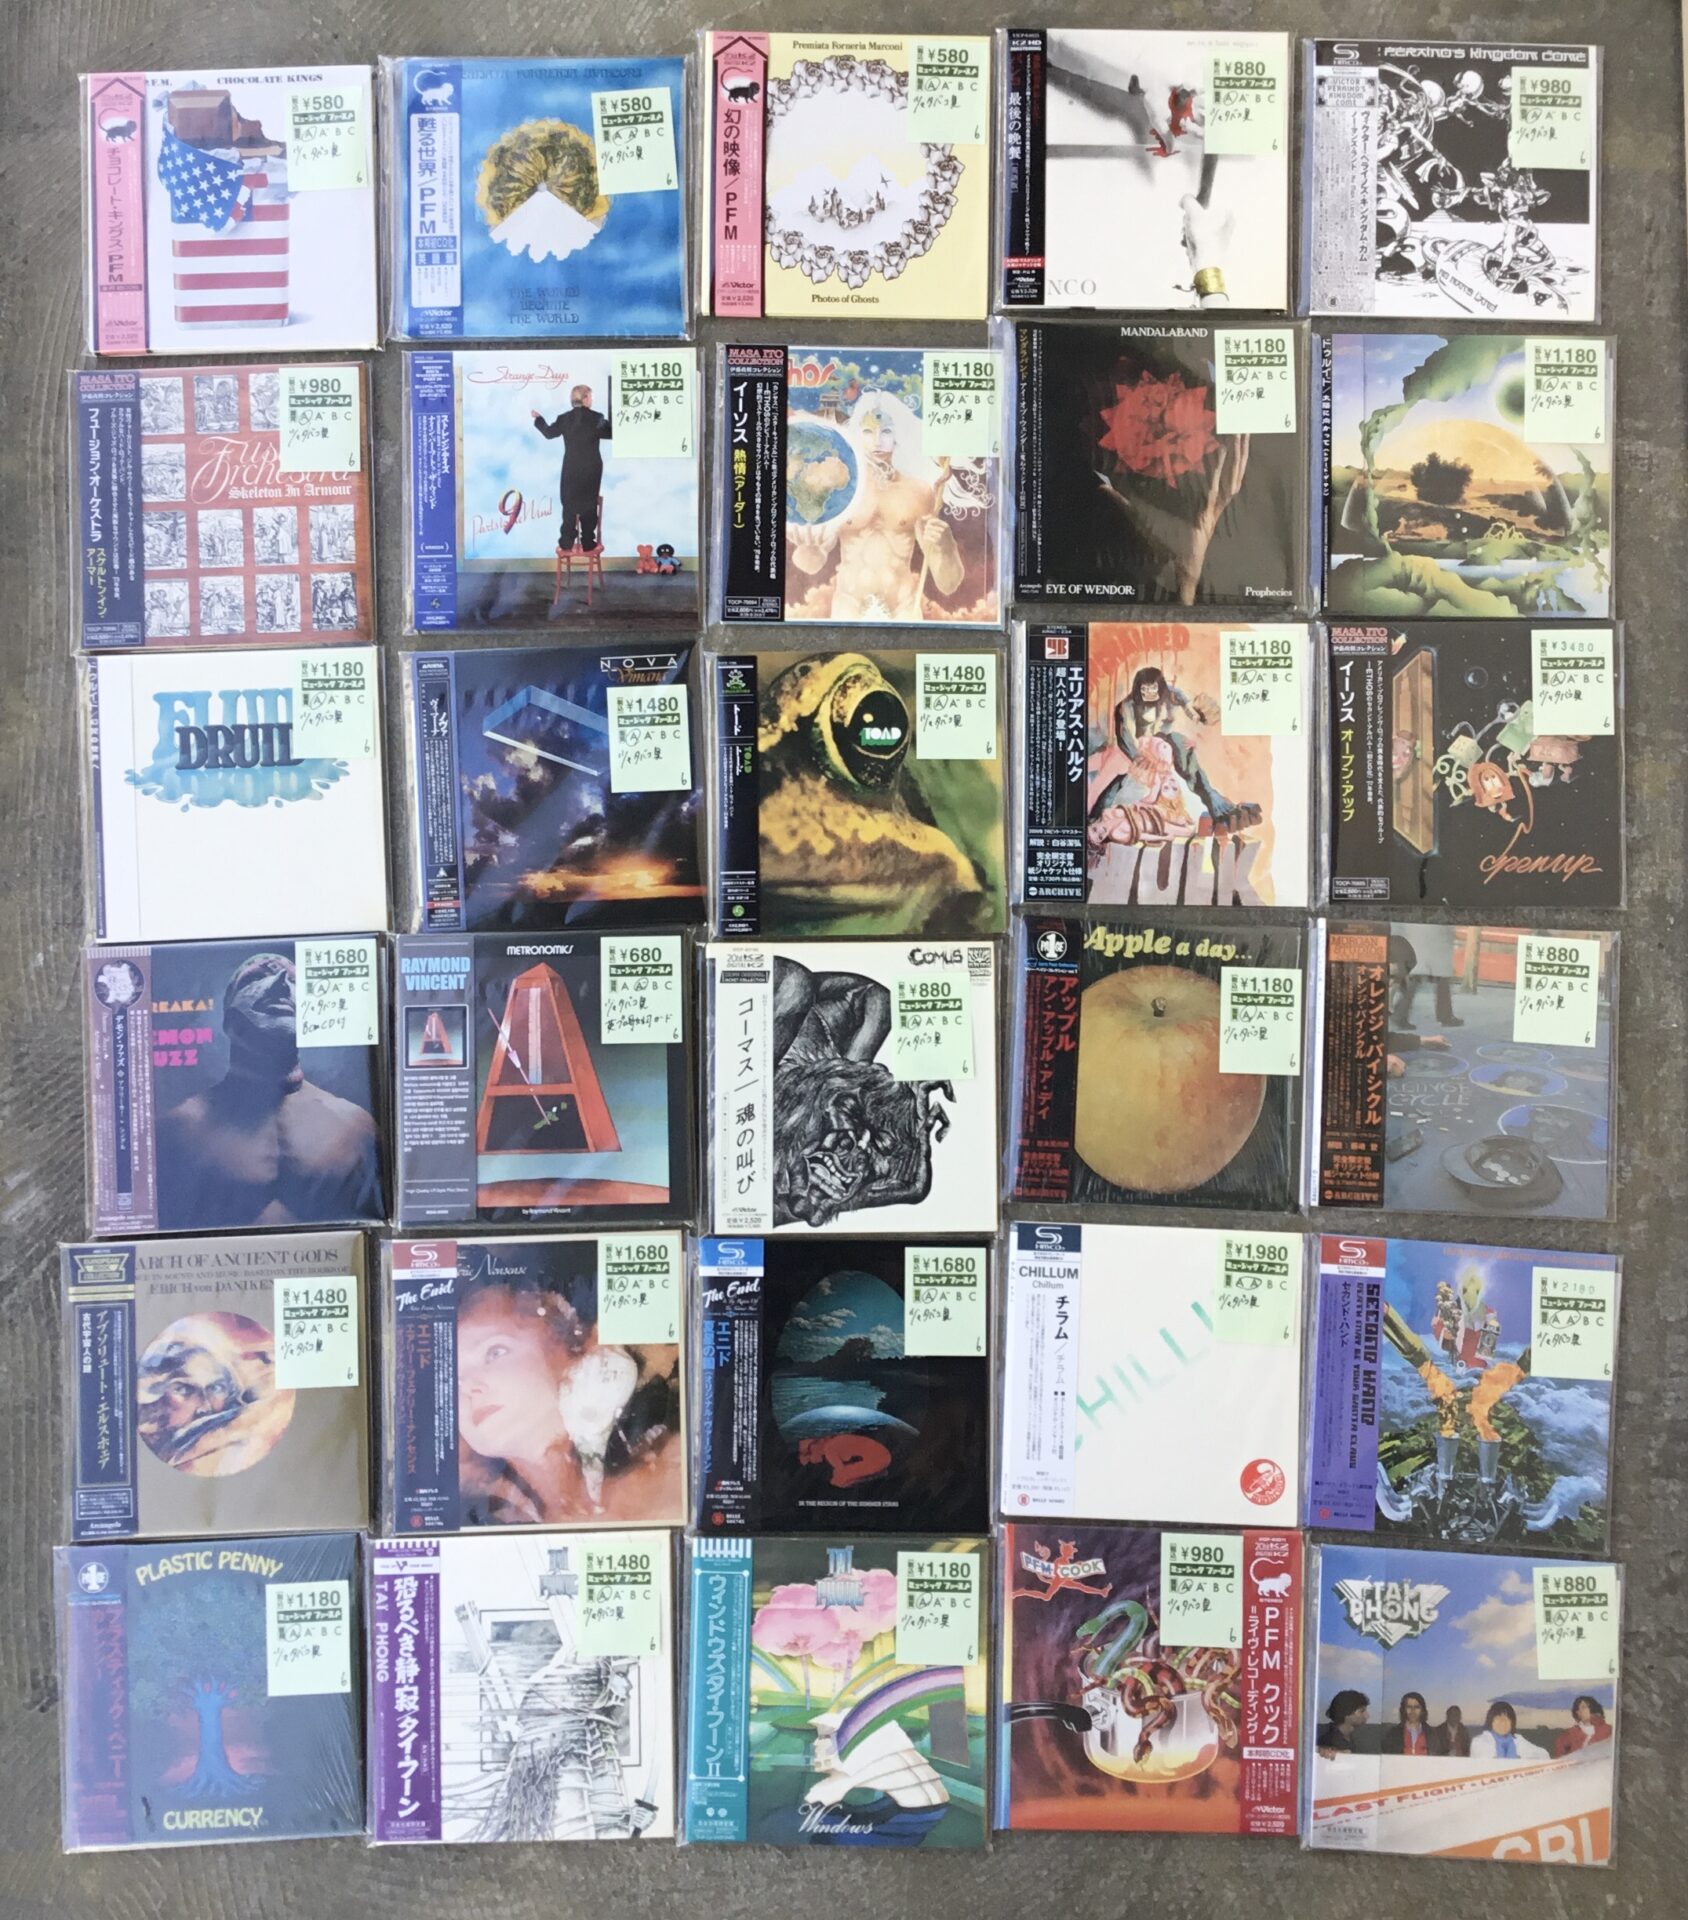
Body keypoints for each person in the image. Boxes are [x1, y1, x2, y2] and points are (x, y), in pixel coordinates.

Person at [157, 951, 380, 1230]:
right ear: (229, 1020)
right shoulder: (179, 1128)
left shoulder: (355, 1126)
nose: (281, 983)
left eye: (294, 981)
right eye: (258, 977)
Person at [455, 1273, 679, 1526]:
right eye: (454, 1379)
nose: (468, 1386)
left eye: (494, 1352)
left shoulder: (671, 1465)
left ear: (565, 1352)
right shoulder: (489, 1517)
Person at [532, 382, 611, 553]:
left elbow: (548, 433)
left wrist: (539, 420)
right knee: (589, 504)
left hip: (571, 466)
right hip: (591, 467)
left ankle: (566, 542)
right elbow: (611, 433)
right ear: (585, 398)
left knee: (569, 504)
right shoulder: (597, 418)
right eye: (590, 397)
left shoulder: (564, 418)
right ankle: (588, 542)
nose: (592, 400)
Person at [1469, 1701, 1548, 1763]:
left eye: (1507, 1719)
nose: (1503, 1722)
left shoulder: (1518, 1740)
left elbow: (1544, 1754)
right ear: (1491, 1721)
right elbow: (1486, 1764)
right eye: (1498, 1718)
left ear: (1512, 1723)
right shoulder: (1479, 1741)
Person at [1382, 1691, 1440, 1756]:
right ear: (1403, 1709)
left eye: (1417, 1707)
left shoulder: (1433, 1735)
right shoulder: (1392, 1734)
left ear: (1422, 1710)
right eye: (1409, 1707)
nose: (1413, 1711)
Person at [1316, 1689, 1370, 1756]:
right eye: (1362, 1711)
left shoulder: (1353, 1737)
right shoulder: (1328, 1740)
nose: (1367, 1716)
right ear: (1346, 1712)